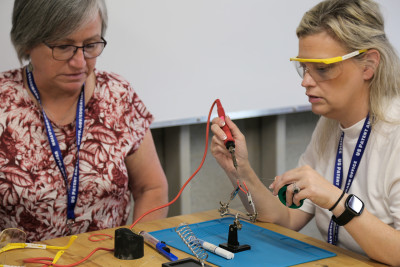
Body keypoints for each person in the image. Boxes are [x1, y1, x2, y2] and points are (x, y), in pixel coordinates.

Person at [211, 0, 400, 265]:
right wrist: (239, 169)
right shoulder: (330, 124)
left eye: (321, 68)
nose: (306, 81)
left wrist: (336, 200)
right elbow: (286, 219)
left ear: (368, 65)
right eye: (304, 67)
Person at [0, 0, 169, 242]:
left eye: (90, 45)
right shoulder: (4, 102)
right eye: (63, 47)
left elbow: (150, 189)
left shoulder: (116, 95)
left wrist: (134, 249)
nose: (80, 62)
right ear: (27, 41)